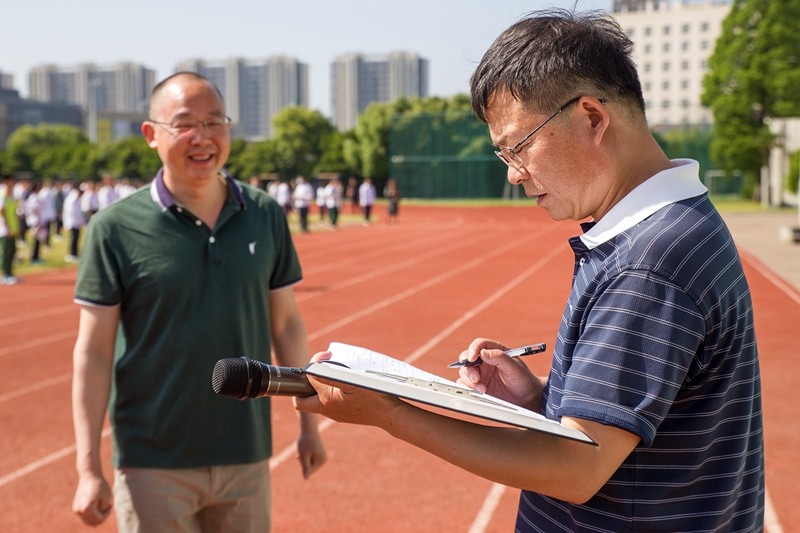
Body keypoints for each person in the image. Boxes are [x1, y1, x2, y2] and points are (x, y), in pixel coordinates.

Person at [296, 9, 764, 532]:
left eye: (518, 147)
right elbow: (649, 424)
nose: (516, 175)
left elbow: (576, 469)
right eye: (503, 156)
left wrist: (390, 412)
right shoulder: (678, 224)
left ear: (591, 117)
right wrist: (541, 399)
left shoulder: (647, 262)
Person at [71, 71, 327, 532]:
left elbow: (286, 323)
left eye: (215, 122)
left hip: (245, 452)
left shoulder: (264, 213)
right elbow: (92, 352)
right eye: (184, 123)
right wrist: (88, 468)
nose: (202, 137)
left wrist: (309, 425)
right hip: (153, 458)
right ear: (151, 135)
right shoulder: (113, 228)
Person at [0, 175, 21, 285]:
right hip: (5, 230)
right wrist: (7, 228)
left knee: (12, 251)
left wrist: (16, 227)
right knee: (6, 253)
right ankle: (5, 275)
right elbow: (2, 212)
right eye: (11, 181)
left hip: (12, 228)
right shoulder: (2, 195)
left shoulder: (12, 196)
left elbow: (14, 213)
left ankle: (10, 273)